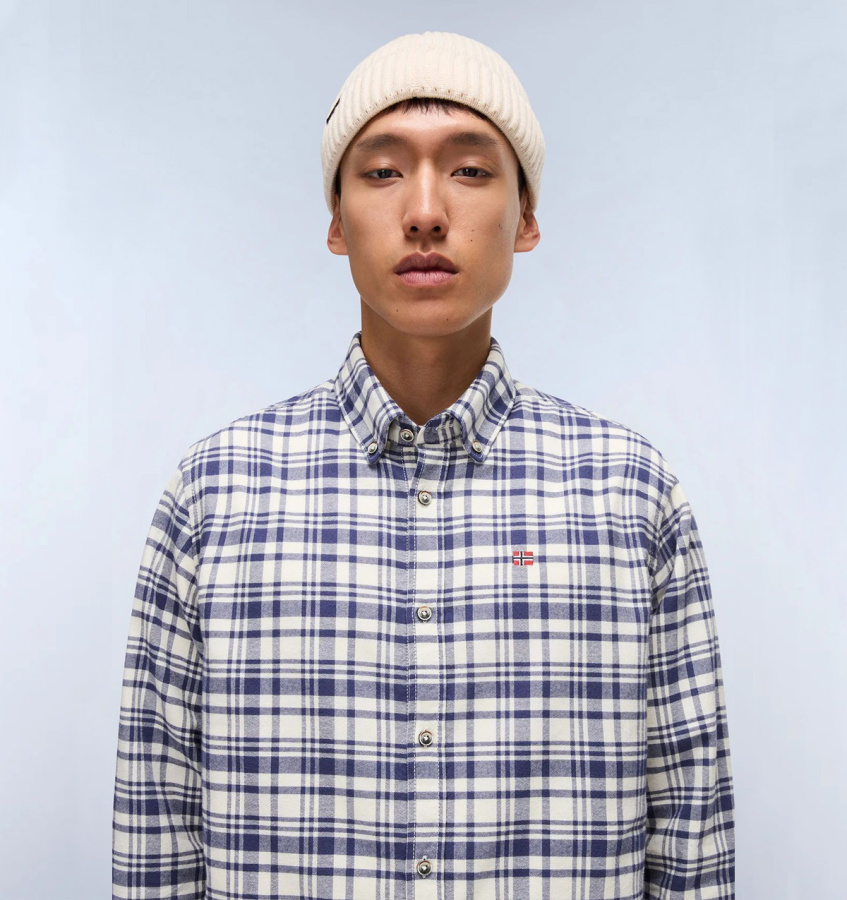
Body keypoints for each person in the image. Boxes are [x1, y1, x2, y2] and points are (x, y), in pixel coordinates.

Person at [112, 31, 735, 900]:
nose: (425, 211)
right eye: (381, 171)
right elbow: (155, 837)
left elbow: (692, 839)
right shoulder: (216, 496)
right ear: (336, 222)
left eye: (471, 170)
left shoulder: (629, 495)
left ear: (526, 219)